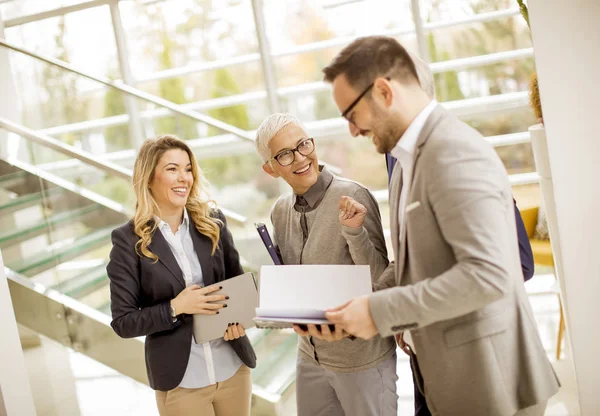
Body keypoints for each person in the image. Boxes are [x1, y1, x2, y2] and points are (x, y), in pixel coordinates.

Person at [322, 36, 560, 416]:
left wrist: (379, 311)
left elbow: (488, 275)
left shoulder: (453, 152)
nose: (352, 130)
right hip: (454, 380)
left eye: (351, 114)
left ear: (383, 91)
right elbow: (415, 260)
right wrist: (353, 309)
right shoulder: (405, 163)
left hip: (495, 384)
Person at [255, 113, 398, 416]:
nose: (300, 158)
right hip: (310, 358)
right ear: (270, 169)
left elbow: (380, 280)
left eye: (303, 145)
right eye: (284, 154)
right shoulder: (280, 212)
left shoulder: (353, 195)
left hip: (362, 358)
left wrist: (354, 232)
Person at [107, 135, 256, 416]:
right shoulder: (128, 241)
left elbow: (237, 285)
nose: (184, 178)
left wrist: (239, 320)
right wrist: (176, 307)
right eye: (172, 169)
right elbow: (123, 322)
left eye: (188, 169)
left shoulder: (213, 223)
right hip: (182, 382)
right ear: (149, 177)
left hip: (233, 370)